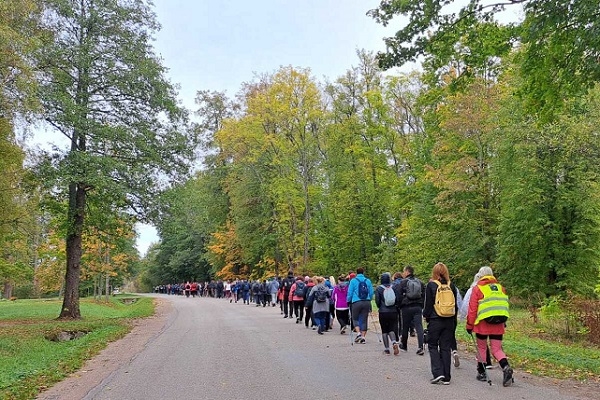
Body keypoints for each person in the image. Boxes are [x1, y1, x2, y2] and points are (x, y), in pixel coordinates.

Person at [465, 266, 513, 387]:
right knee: (497, 349)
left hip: (483, 323)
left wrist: (469, 325)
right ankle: (506, 367)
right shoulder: (500, 288)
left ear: (480, 276)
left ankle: (482, 372)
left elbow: (472, 309)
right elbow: (503, 305)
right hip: (499, 323)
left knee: (482, 348)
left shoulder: (478, 289)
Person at [422, 262, 459, 385]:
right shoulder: (451, 285)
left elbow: (428, 305)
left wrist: (426, 317)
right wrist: (454, 321)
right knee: (445, 347)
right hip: (449, 320)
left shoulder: (431, 285)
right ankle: (447, 376)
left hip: (435, 319)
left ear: (435, 272)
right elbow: (456, 305)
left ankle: (438, 373)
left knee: (432, 345)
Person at [459, 270, 492, 370]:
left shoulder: (473, 289)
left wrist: (465, 318)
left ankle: (483, 365)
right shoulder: (494, 288)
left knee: (481, 343)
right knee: (495, 343)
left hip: (479, 319)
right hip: (494, 318)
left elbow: (466, 306)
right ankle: (497, 362)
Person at [398, 265, 425, 355]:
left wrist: (400, 305)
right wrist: (421, 305)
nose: (403, 273)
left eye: (404, 271)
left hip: (406, 307)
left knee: (405, 326)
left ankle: (404, 345)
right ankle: (421, 346)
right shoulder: (420, 282)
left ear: (407, 272)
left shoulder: (403, 282)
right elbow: (424, 295)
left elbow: (399, 295)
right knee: (419, 326)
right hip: (417, 307)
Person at [374, 272, 401, 355]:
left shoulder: (379, 289)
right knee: (392, 328)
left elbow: (377, 301)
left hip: (383, 312)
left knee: (384, 330)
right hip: (393, 311)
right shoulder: (394, 287)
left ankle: (386, 349)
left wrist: (380, 307)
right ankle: (394, 342)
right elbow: (398, 299)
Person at [346, 267, 373, 344]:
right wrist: (369, 299)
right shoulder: (368, 281)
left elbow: (350, 292)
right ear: (363, 272)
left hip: (356, 302)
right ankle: (363, 337)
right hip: (366, 302)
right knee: (364, 319)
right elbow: (371, 293)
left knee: (355, 318)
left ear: (356, 273)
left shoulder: (353, 281)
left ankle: (358, 334)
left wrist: (348, 300)